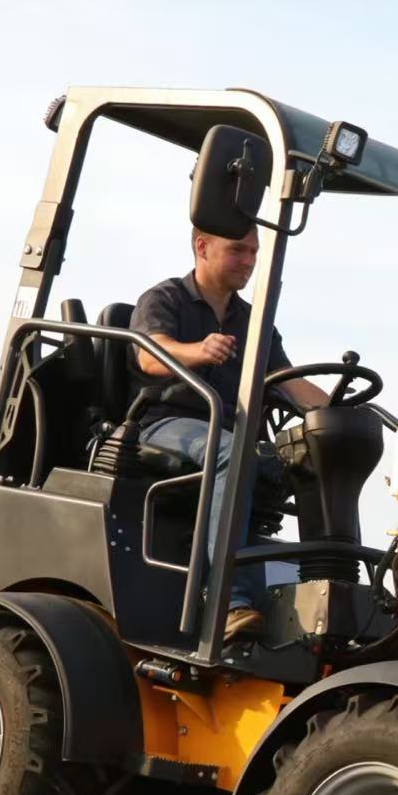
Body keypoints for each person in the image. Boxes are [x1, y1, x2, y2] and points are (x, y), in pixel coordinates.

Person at [130, 226, 327, 642]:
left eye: (254, 251)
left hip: (227, 436)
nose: (250, 260)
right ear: (202, 246)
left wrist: (338, 410)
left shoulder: (253, 323)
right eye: (239, 249)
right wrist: (198, 350)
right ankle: (227, 601)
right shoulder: (166, 298)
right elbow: (150, 354)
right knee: (231, 453)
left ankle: (327, 593)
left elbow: (287, 380)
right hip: (164, 425)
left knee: (312, 457)